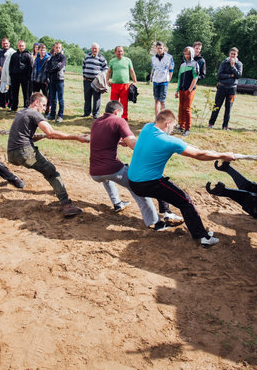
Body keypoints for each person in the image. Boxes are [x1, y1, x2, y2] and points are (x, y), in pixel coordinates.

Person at [128, 109, 236, 247]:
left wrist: (191, 146)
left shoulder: (147, 127)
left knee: (164, 184)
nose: (173, 130)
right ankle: (203, 237)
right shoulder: (169, 141)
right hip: (148, 184)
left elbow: (190, 148)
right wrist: (222, 155)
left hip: (133, 181)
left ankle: (166, 212)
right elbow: (199, 155)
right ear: (167, 123)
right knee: (185, 200)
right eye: (173, 126)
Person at [90, 100, 174, 230]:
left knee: (106, 176)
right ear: (117, 112)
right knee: (136, 185)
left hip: (94, 172)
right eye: (121, 114)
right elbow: (135, 145)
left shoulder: (96, 122)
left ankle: (117, 203)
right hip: (112, 169)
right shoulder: (119, 121)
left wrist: (119, 140)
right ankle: (156, 223)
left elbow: (105, 139)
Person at [7, 92, 89, 217]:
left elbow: (23, 136)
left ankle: (58, 191)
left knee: (47, 171)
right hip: (25, 152)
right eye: (44, 105)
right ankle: (66, 205)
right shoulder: (34, 113)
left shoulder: (21, 112)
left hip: (12, 154)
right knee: (52, 173)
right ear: (36, 103)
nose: (45, 109)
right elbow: (51, 132)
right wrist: (76, 137)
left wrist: (41, 136)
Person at [208, 47, 243, 130]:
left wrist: (233, 67)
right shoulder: (224, 62)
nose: (233, 55)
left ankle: (225, 126)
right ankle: (211, 123)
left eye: (234, 54)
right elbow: (219, 75)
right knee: (216, 106)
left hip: (232, 89)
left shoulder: (239, 64)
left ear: (237, 55)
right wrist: (230, 75)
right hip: (222, 87)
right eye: (231, 54)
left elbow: (238, 76)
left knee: (228, 108)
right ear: (229, 54)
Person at [107, 46, 137, 121]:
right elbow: (109, 72)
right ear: (115, 52)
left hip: (125, 85)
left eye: (121, 51)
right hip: (114, 85)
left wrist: (135, 81)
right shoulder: (112, 61)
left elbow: (131, 71)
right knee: (113, 103)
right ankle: (112, 117)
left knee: (124, 103)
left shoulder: (128, 60)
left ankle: (124, 118)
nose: (120, 53)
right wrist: (107, 80)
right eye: (118, 51)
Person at [174, 46, 199, 136]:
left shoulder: (195, 64)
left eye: (188, 54)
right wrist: (177, 90)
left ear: (191, 54)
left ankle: (187, 128)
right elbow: (180, 79)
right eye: (185, 54)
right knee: (181, 107)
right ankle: (181, 126)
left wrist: (190, 89)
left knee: (187, 108)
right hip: (181, 89)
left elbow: (195, 77)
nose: (186, 55)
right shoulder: (182, 65)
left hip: (189, 90)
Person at [81, 43, 108, 118]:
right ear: (91, 49)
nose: (94, 50)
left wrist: (101, 76)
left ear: (98, 49)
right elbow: (83, 66)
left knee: (96, 98)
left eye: (96, 48)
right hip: (87, 80)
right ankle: (86, 113)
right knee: (87, 97)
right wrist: (84, 75)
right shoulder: (87, 56)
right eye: (93, 48)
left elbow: (106, 68)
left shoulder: (101, 58)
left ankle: (95, 114)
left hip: (96, 81)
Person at [7, 39, 33, 111]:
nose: (21, 47)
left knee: (26, 93)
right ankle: (14, 106)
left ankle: (26, 107)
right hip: (15, 76)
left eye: (22, 46)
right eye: (20, 46)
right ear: (17, 46)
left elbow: (30, 66)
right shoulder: (14, 55)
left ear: (25, 46)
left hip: (25, 77)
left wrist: (28, 76)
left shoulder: (28, 55)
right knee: (14, 92)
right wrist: (11, 74)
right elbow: (11, 65)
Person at [150, 41, 174, 116]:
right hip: (156, 81)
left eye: (161, 48)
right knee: (156, 100)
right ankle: (157, 118)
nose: (159, 50)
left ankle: (162, 118)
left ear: (163, 48)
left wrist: (169, 79)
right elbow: (153, 68)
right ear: (156, 48)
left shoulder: (169, 57)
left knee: (162, 101)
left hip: (164, 81)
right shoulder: (153, 58)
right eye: (158, 48)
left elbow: (171, 69)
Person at [47, 42, 66, 122]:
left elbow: (59, 67)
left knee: (60, 99)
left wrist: (53, 68)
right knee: (52, 99)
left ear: (61, 48)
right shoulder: (52, 57)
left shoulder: (63, 57)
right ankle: (52, 115)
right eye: (56, 47)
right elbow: (48, 67)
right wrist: (53, 68)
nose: (57, 49)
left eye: (59, 48)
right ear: (54, 48)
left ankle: (60, 116)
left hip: (60, 80)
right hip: (52, 80)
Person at [30, 43, 51, 115]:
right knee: (35, 97)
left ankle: (47, 112)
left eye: (44, 50)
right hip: (36, 80)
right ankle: (35, 110)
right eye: (41, 50)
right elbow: (34, 69)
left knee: (46, 97)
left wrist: (47, 80)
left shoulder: (48, 59)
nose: (42, 52)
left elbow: (48, 71)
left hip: (44, 81)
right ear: (38, 50)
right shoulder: (37, 58)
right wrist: (32, 78)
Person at [0, 38, 13, 108]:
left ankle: (8, 102)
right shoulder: (0, 52)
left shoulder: (12, 52)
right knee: (1, 88)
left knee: (8, 88)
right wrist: (0, 68)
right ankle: (2, 103)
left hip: (9, 74)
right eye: (4, 43)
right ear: (2, 44)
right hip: (1, 73)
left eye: (6, 43)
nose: (5, 45)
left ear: (9, 43)